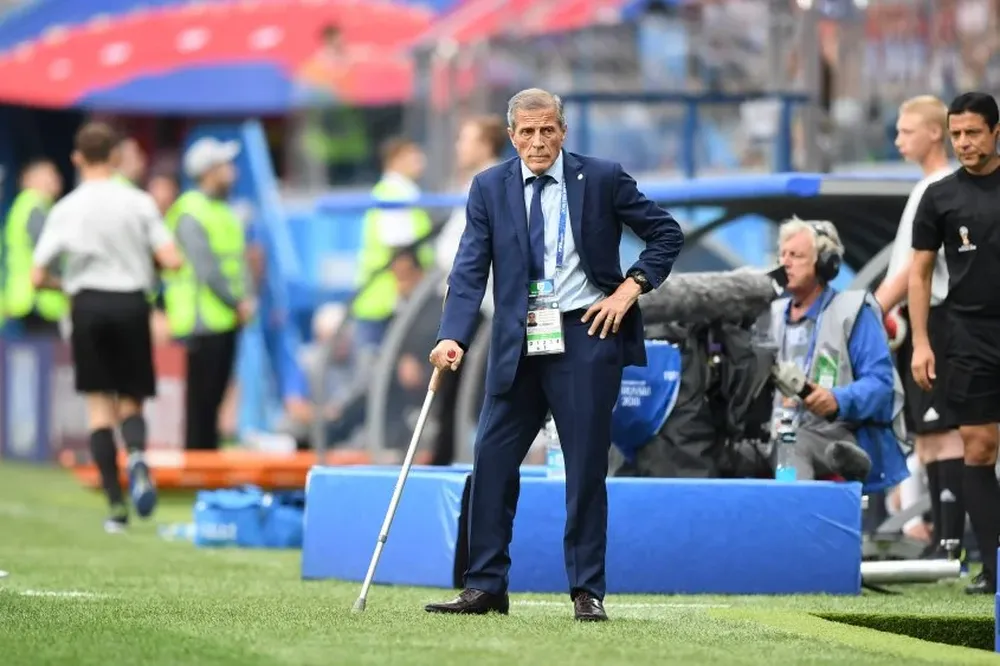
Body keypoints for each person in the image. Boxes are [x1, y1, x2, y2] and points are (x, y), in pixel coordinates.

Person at [424, 88, 684, 621]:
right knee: (492, 461)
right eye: (527, 132)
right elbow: (470, 269)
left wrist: (629, 289)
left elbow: (665, 233)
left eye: (548, 131)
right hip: (519, 340)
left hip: (586, 334)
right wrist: (452, 334)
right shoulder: (488, 187)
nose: (538, 142)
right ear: (512, 135)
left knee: (585, 468)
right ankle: (485, 586)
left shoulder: (604, 177)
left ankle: (587, 591)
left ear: (563, 132)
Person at [30, 121, 183, 533]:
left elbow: (36, 274)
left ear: (77, 158)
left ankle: (116, 507)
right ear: (115, 157)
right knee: (131, 399)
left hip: (88, 304)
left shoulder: (66, 207)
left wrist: (68, 285)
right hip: (132, 303)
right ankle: (135, 455)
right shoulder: (138, 202)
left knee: (99, 406)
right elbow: (172, 259)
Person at [910, 91, 1000, 595]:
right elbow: (921, 274)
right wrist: (922, 342)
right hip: (966, 335)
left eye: (973, 132)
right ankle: (992, 567)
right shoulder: (939, 196)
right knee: (979, 447)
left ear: (996, 132)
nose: (964, 142)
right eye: (957, 133)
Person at [873, 94, 966, 563]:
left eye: (906, 131)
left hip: (941, 321)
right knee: (928, 438)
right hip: (923, 320)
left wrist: (866, 314)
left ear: (934, 132)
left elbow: (911, 270)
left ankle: (950, 542)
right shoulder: (929, 187)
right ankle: (939, 537)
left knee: (944, 432)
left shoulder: (939, 187)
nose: (897, 140)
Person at [769, 218, 908, 488]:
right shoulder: (769, 315)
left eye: (795, 255)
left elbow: (880, 384)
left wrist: (837, 399)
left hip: (836, 434)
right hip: (773, 431)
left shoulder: (852, 311)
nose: (784, 263)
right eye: (781, 255)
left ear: (824, 263)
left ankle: (797, 528)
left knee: (792, 444)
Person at [163, 137, 255, 451]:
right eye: (224, 166)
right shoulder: (190, 211)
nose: (231, 171)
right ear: (207, 171)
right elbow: (206, 269)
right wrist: (238, 301)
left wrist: (245, 300)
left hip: (226, 319)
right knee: (200, 403)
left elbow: (237, 262)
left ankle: (207, 464)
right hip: (201, 321)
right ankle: (196, 464)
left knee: (214, 400)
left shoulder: (223, 210)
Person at [3, 158, 65, 337]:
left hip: (24, 301)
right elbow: (48, 251)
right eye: (50, 174)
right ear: (31, 179)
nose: (57, 179)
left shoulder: (23, 206)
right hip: (38, 302)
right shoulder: (34, 205)